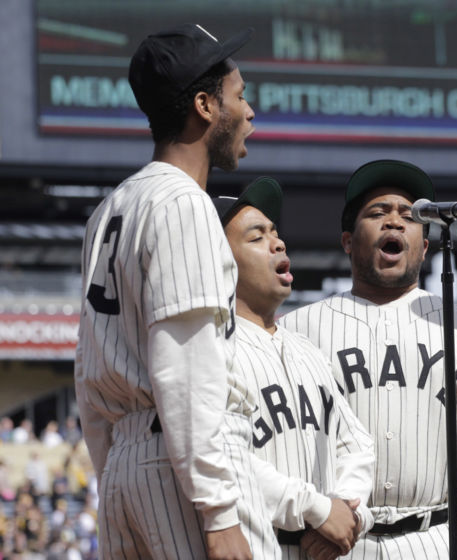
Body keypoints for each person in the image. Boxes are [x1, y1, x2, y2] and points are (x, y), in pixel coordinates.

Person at [75, 23, 282, 559]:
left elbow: (87, 377)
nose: (250, 111)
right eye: (239, 96)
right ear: (205, 106)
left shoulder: (109, 211)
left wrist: (118, 474)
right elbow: (185, 366)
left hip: (128, 467)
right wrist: (218, 512)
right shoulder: (184, 204)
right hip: (184, 471)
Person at [282, 160, 457, 559]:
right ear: (348, 241)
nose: (394, 222)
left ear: (426, 245)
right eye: (377, 213)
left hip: (436, 539)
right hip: (337, 543)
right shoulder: (296, 332)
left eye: (408, 215)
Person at [212, 177, 375, 559]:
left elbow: (357, 446)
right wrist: (317, 510)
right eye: (256, 238)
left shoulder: (307, 351)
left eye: (275, 233)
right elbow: (223, 460)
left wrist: (347, 514)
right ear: (218, 261)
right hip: (255, 546)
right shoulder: (211, 351)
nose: (278, 243)